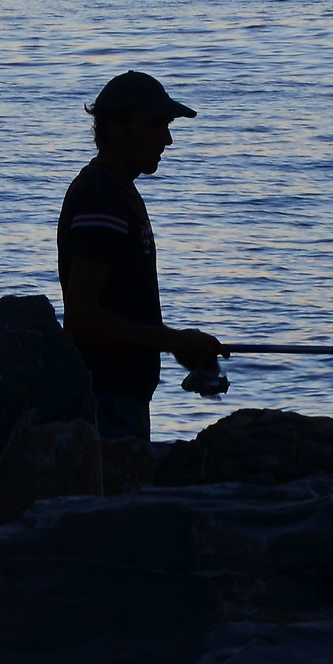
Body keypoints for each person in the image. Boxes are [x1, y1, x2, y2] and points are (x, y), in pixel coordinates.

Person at [56, 69, 226, 442]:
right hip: (107, 399)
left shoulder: (116, 191)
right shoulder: (103, 198)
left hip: (121, 395)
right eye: (155, 124)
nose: (166, 139)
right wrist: (175, 342)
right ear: (115, 126)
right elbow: (83, 319)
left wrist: (174, 343)